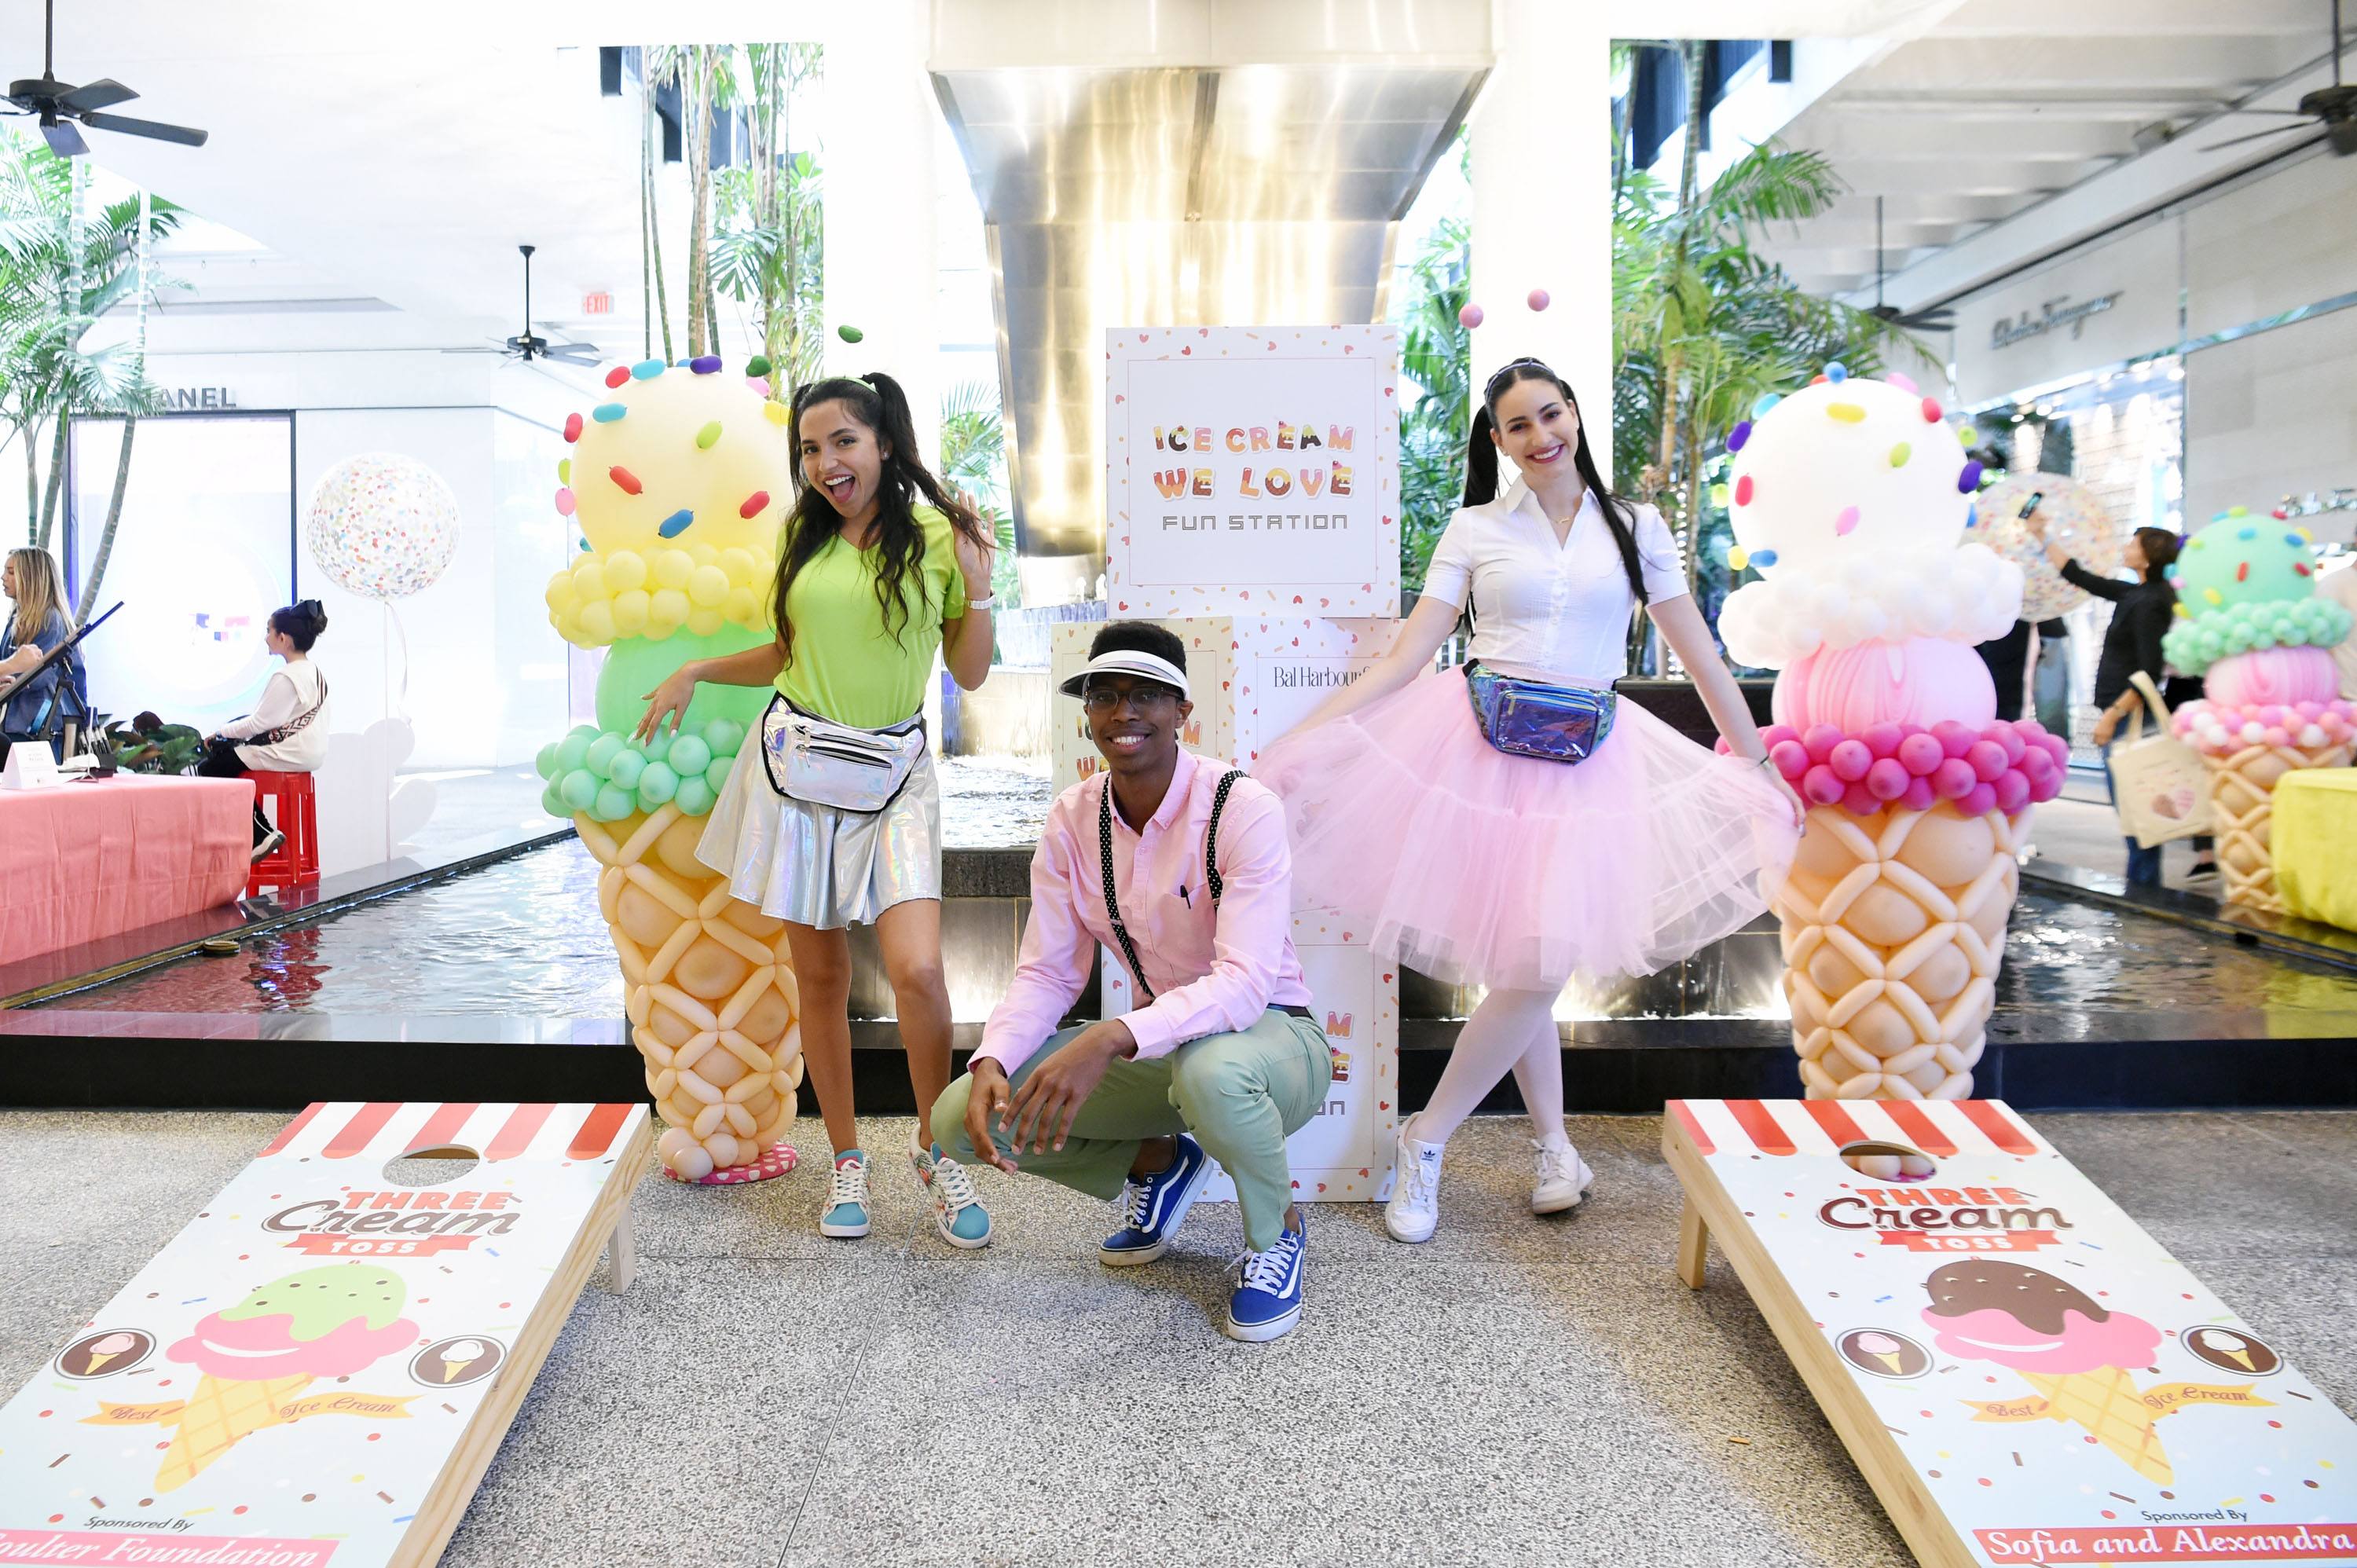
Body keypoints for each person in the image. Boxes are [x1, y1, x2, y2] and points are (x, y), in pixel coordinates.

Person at [1255, 357, 1803, 1245]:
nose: (1541, 436)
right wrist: (1301, 739)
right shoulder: (1475, 527)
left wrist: (1757, 759)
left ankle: (1433, 1135)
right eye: (1520, 426)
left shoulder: (1637, 527)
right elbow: (1406, 656)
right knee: (1532, 963)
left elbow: (1699, 649)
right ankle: (1539, 1146)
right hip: (1480, 751)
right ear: (1499, 440)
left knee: (1534, 965)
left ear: (1575, 413)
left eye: (1551, 415)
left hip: (1591, 759)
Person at [638, 372, 998, 1245]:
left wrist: (981, 582)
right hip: (798, 771)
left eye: (842, 441)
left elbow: (974, 672)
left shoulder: (940, 538)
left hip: (896, 777)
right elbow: (787, 654)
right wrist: (697, 669)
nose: (825, 462)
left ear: (882, 444)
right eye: (809, 448)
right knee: (823, 977)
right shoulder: (802, 541)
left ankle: (934, 1147)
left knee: (917, 970)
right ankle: (845, 1156)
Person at [929, 623, 1329, 1342]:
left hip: (1272, 1039)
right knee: (960, 1116)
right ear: (1087, 715)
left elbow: (1242, 984)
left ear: (1183, 711)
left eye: (1146, 695)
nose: (1124, 713)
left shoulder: (1243, 807)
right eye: (1105, 696)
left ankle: (1279, 1236)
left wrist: (1114, 1035)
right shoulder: (1072, 819)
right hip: (1161, 1048)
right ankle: (1161, 1160)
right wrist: (993, 1057)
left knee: (1213, 1072)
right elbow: (1048, 971)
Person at [2028, 517, 2181, 887]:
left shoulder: (2152, 603)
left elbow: (2149, 668)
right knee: (2131, 809)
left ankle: (2144, 890)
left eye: (2133, 545)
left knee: (2137, 807)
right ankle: (2141, 885)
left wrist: (2112, 716)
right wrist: (2042, 534)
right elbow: (2080, 576)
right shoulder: (2136, 593)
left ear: (2148, 557)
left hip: (2131, 716)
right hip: (2124, 713)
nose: (2126, 549)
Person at [199, 600, 331, 860]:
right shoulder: (314, 672)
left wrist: (221, 731)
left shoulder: (287, 676)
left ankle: (260, 834)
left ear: (283, 638)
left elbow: (259, 724)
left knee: (211, 768)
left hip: (289, 752)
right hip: (310, 752)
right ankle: (261, 833)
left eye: (268, 631)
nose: (266, 637)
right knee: (225, 762)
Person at [0, 547, 87, 756]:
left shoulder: (51, 620)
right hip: (16, 727)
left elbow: (38, 677)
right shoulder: (16, 620)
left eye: (11, 572)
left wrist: (8, 673)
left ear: (31, 577)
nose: (3, 577)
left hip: (41, 730)